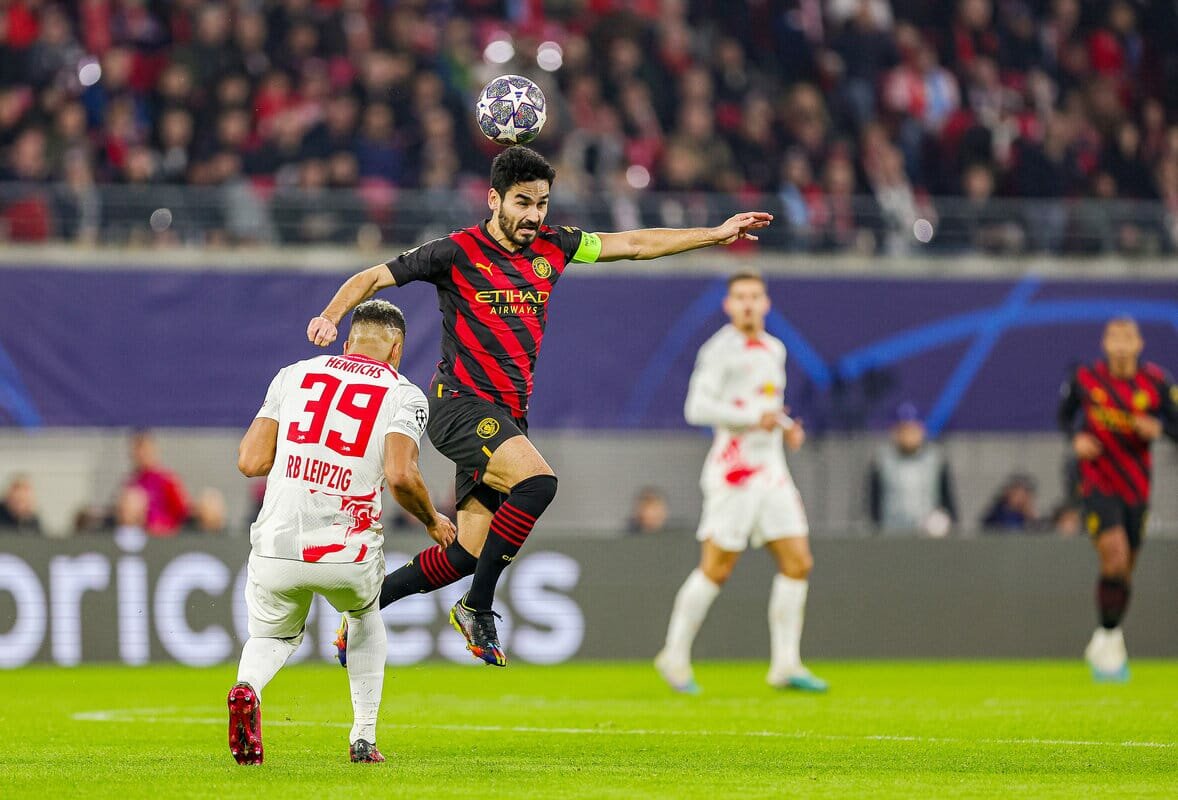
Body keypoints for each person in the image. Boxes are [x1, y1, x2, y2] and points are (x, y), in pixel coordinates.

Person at [310, 145, 771, 667]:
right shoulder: (455, 252)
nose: (533, 215)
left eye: (542, 203)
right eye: (523, 202)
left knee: (467, 553)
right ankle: (477, 608)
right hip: (459, 405)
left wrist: (714, 234)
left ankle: (367, 608)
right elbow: (371, 277)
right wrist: (331, 315)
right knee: (539, 483)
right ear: (494, 199)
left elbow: (638, 243)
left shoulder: (558, 246)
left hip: (506, 417)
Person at [228, 299, 455, 765]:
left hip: (275, 543)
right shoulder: (405, 394)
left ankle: (247, 688)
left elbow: (250, 462)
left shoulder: (293, 374)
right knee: (365, 617)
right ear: (397, 349)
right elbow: (400, 476)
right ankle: (363, 738)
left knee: (273, 637)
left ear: (348, 341)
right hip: (344, 550)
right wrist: (433, 520)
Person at [654, 271, 826, 694]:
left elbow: (762, 403)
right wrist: (755, 419)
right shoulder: (718, 351)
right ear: (728, 306)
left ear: (766, 303)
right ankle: (673, 656)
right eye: (740, 297)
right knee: (716, 568)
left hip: (772, 471)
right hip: (734, 473)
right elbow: (696, 408)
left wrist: (785, 425)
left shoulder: (775, 349)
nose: (748, 304)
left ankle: (785, 664)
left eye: (755, 296)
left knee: (798, 562)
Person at [1058, 317, 1178, 681]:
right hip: (1098, 483)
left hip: (1137, 488)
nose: (1121, 345)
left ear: (1139, 344)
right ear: (1105, 343)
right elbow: (1063, 418)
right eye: (1115, 337)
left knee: (1124, 569)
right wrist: (1075, 439)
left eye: (1128, 338)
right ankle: (1109, 640)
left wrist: (1159, 428)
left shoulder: (1157, 382)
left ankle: (1106, 636)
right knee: (1114, 555)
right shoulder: (1085, 379)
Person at [868, 402, 956, 536]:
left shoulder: (935, 460)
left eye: (913, 429)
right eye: (903, 430)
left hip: (928, 536)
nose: (909, 435)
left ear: (922, 430)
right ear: (894, 432)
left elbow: (948, 503)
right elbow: (873, 505)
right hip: (892, 535)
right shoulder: (882, 461)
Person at [125, 430, 190, 536]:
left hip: (166, 537)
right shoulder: (131, 483)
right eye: (138, 451)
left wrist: (163, 527)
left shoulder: (167, 480)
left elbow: (182, 514)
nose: (142, 455)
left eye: (146, 450)